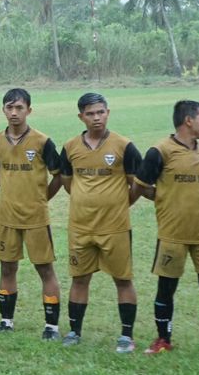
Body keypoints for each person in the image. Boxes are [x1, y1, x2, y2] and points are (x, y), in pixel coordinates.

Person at [135, 99, 199, 360]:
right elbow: (141, 185)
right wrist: (164, 198)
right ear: (188, 120)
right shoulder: (159, 151)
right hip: (172, 234)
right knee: (166, 288)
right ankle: (164, 339)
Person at [56, 92, 142, 352]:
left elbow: (136, 184)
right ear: (81, 116)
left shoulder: (124, 146)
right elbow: (68, 183)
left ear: (108, 113)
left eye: (101, 112)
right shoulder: (70, 147)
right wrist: (87, 201)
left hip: (115, 227)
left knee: (122, 279)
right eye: (90, 113)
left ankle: (126, 336)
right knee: (79, 278)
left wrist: (117, 204)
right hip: (81, 227)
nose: (96, 118)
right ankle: (74, 331)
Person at [0, 88, 64, 339]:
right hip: (7, 217)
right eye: (10, 107)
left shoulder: (42, 141)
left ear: (29, 110)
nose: (14, 112)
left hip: (36, 218)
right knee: (7, 268)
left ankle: (51, 327)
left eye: (19, 108)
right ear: (3, 110)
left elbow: (59, 175)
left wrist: (40, 199)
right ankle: (6, 321)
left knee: (45, 269)